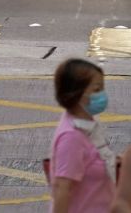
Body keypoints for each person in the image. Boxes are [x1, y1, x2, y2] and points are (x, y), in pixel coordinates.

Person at [49, 58, 115, 213]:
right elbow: (62, 189)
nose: (102, 95)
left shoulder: (86, 124)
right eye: (97, 89)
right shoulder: (72, 137)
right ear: (76, 93)